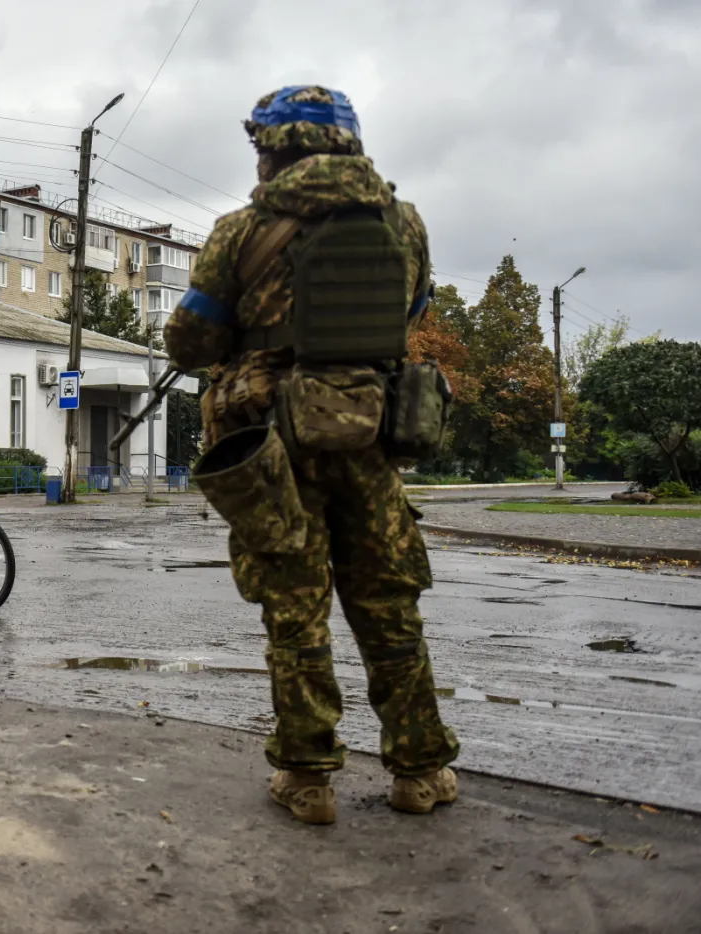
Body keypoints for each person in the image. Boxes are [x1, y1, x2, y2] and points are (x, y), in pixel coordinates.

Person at [165, 85, 459, 825]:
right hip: (373, 437)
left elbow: (190, 341)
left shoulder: (242, 230)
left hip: (273, 444)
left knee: (296, 612)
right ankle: (420, 772)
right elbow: (413, 312)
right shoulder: (405, 224)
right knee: (390, 606)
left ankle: (307, 780)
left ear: (271, 151)